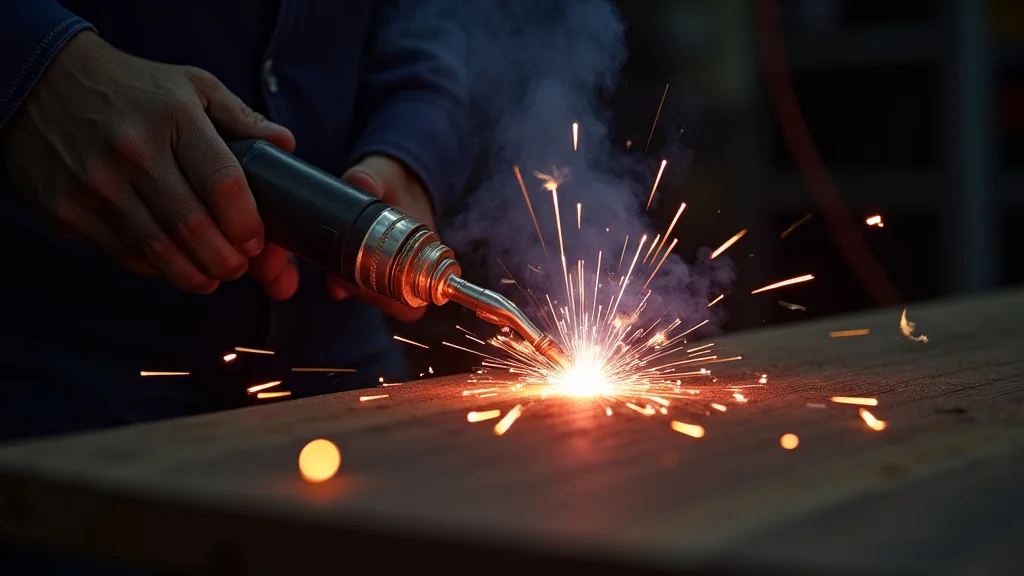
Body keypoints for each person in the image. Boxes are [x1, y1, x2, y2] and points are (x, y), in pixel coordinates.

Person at [0, 0, 471, 442]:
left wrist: (412, 148)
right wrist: (39, 62)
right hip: (67, 364)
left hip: (341, 359)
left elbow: (426, 21)